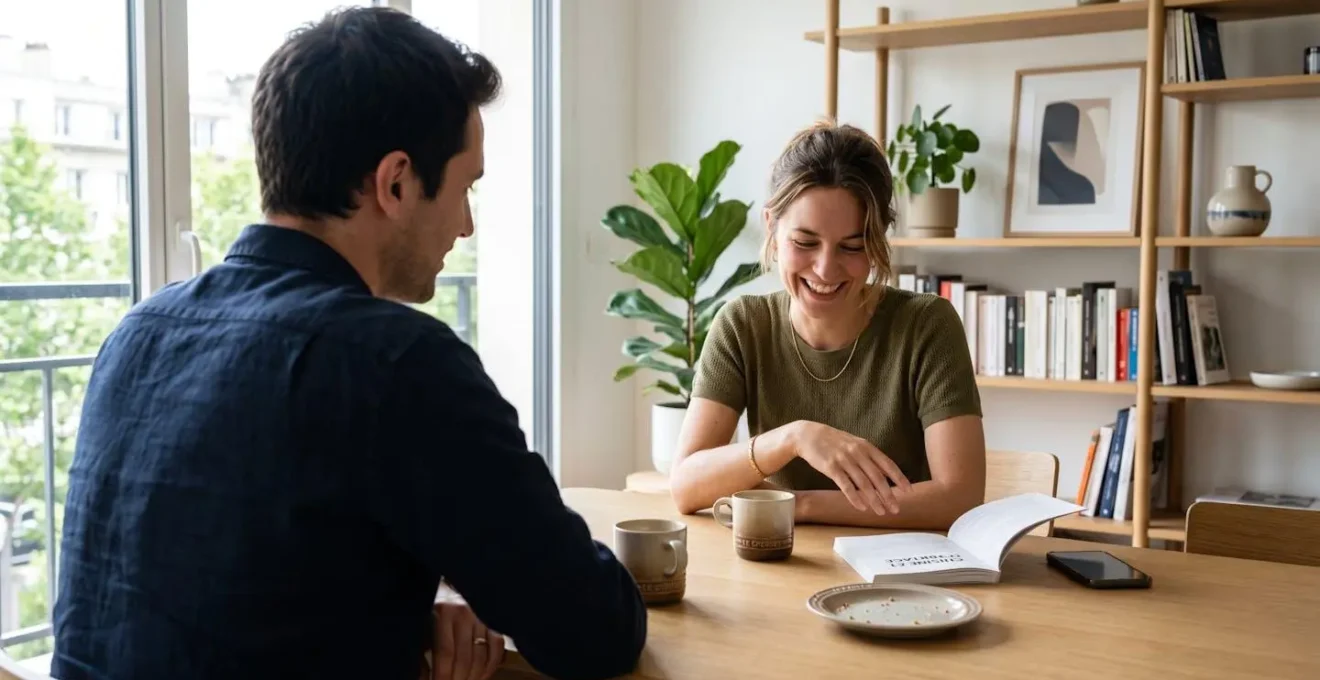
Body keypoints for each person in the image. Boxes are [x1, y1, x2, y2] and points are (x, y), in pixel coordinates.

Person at [52, 8, 645, 680]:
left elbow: (222, 598)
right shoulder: (397, 363)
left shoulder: (138, 332)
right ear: (395, 183)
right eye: (464, 188)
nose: (467, 225)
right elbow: (595, 630)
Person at [669, 120, 986, 530]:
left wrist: (797, 505)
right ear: (772, 226)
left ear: (877, 241)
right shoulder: (743, 326)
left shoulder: (926, 325)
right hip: (774, 564)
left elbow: (958, 498)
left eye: (852, 247)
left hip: (896, 576)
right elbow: (685, 486)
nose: (824, 268)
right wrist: (794, 438)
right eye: (804, 243)